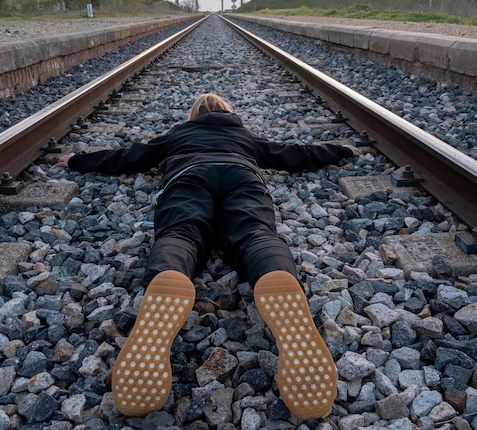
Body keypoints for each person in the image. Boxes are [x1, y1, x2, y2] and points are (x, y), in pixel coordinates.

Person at [55, 93, 362, 420]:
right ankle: (274, 272)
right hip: (241, 175)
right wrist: (340, 150)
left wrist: (77, 159)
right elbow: (292, 154)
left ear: (193, 116)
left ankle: (169, 274)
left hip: (188, 177)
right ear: (229, 114)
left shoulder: (178, 135)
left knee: (181, 232)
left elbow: (129, 157)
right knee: (255, 233)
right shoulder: (242, 135)